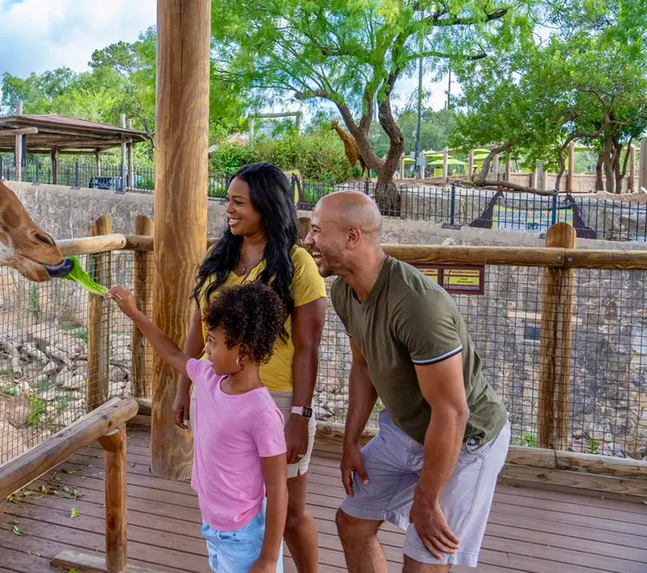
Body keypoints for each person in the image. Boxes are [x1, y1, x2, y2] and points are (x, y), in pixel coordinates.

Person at [304, 191, 510, 572]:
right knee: (352, 524)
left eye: (317, 230)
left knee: (424, 558)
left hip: (465, 438)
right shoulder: (344, 291)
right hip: (405, 430)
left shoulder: (416, 305)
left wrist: (427, 500)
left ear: (352, 237)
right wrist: (350, 441)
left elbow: (452, 412)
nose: (308, 240)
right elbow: (363, 367)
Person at [173, 162, 326, 572]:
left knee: (289, 509)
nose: (229, 209)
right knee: (239, 503)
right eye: (229, 201)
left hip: (275, 401)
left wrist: (299, 414)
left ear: (266, 206)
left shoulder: (297, 265)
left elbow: (309, 347)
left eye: (239, 202)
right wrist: (181, 390)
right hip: (220, 397)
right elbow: (196, 326)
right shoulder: (217, 257)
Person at [110, 282, 288, 573]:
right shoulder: (208, 378)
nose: (206, 349)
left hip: (245, 538)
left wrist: (268, 559)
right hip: (213, 527)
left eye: (214, 343)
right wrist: (134, 313)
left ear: (242, 352)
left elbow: (278, 488)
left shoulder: (262, 413)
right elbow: (172, 354)